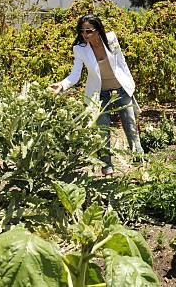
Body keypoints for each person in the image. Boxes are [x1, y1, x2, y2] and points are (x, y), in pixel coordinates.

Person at [50, 15, 143, 176]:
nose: (85, 35)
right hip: (99, 94)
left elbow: (122, 63)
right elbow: (75, 75)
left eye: (89, 31)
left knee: (131, 127)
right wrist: (62, 85)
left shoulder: (111, 39)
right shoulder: (80, 49)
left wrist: (130, 86)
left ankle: (141, 167)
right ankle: (107, 169)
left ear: (98, 30)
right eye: (82, 31)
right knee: (102, 131)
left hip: (121, 89)